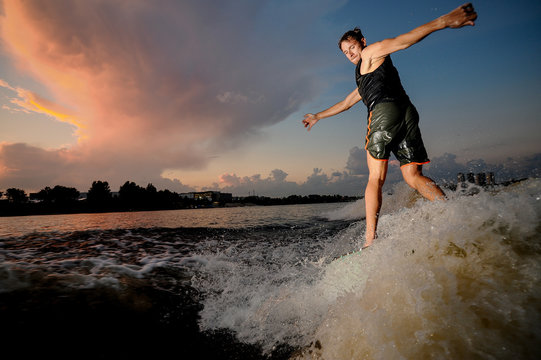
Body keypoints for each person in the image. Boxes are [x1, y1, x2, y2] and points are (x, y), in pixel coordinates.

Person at [302, 3, 477, 248]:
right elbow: (346, 102)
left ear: (362, 42)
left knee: (375, 178)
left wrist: (444, 21)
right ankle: (455, 214)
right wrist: (317, 116)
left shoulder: (371, 52)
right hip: (406, 112)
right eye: (345, 51)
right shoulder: (365, 74)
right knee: (413, 176)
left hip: (384, 112)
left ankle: (370, 241)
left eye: (352, 46)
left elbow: (402, 40)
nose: (350, 53)